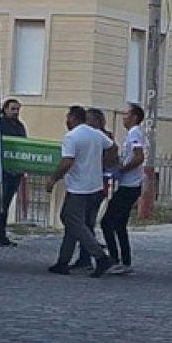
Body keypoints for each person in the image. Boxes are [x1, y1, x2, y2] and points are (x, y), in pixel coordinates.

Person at [46, 106, 116, 278]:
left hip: (78, 188)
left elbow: (67, 162)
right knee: (75, 222)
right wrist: (105, 163)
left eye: (68, 117)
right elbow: (113, 147)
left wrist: (53, 179)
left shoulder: (72, 137)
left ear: (73, 117)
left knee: (72, 221)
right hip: (95, 187)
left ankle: (100, 257)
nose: (66, 121)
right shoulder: (96, 134)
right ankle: (63, 261)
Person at [100, 103, 145, 275]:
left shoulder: (134, 133)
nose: (123, 118)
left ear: (134, 117)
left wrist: (122, 169)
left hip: (129, 185)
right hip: (130, 185)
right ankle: (125, 261)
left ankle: (114, 259)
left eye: (126, 114)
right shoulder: (132, 134)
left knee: (107, 222)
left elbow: (139, 157)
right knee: (120, 224)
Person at [73, 108, 112, 268]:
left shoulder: (102, 136)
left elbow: (111, 154)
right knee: (83, 222)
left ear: (97, 121)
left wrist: (103, 167)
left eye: (88, 119)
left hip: (95, 186)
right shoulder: (91, 135)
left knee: (85, 222)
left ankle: (93, 256)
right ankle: (85, 256)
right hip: (89, 184)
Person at [0, 98, 25, 247]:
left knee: (6, 204)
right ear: (5, 109)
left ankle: (1, 235)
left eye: (17, 109)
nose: (16, 112)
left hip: (15, 172)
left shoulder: (19, 126)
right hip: (2, 171)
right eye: (13, 109)